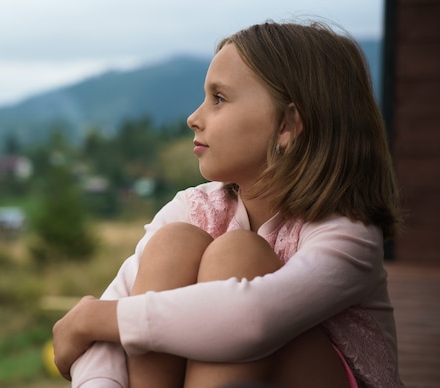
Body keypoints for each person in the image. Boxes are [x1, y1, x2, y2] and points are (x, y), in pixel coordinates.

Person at [52, 20, 404, 388]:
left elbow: (252, 320)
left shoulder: (348, 232)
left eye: (218, 98)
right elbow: (99, 335)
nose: (194, 118)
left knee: (239, 256)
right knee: (175, 243)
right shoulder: (194, 209)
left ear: (287, 125)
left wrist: (98, 319)